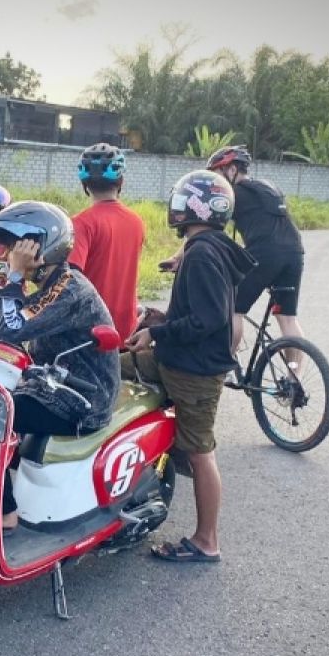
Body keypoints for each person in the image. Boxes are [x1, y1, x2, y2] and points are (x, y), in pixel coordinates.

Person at [124, 171, 255, 563]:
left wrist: (157, 334)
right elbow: (199, 313)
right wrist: (156, 319)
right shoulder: (210, 247)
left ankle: (206, 540)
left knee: (200, 453)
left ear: (192, 206)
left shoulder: (201, 254)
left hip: (194, 372)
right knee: (111, 369)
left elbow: (208, 320)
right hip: (179, 361)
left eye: (181, 200)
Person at [0, 201, 120, 530]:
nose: (11, 253)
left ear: (41, 246)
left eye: (18, 245)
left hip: (81, 401)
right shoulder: (51, 284)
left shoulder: (68, 288)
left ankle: (6, 513)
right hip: (49, 388)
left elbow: (10, 328)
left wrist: (14, 274)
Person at [205, 145, 306, 352]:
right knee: (287, 318)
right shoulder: (267, 187)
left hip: (266, 254)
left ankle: (224, 366)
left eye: (216, 175)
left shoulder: (232, 194)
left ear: (231, 170)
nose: (216, 183)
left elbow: (206, 228)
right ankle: (293, 378)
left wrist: (179, 257)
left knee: (234, 310)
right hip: (295, 252)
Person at [68, 143, 146, 340]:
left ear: (84, 185)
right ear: (121, 182)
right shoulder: (136, 221)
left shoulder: (81, 223)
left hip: (92, 329)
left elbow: (70, 278)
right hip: (126, 328)